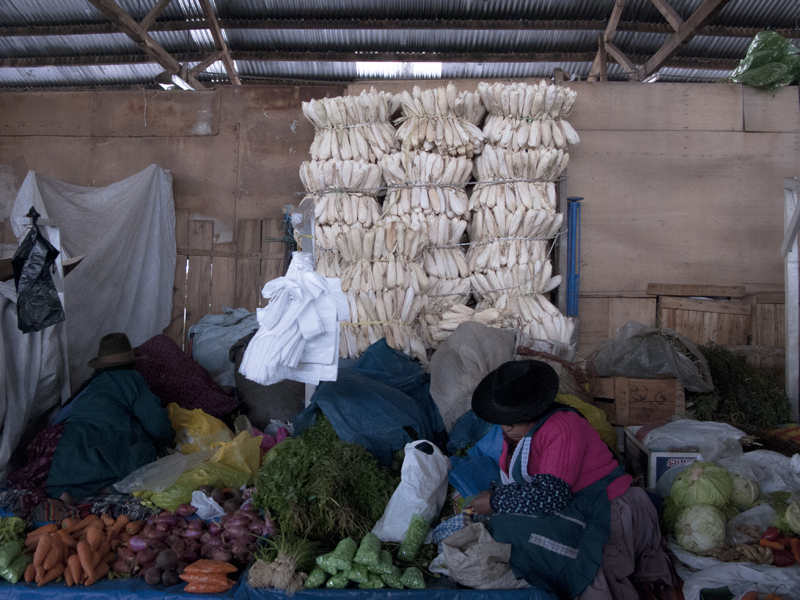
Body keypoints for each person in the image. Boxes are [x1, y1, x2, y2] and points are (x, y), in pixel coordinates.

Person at [467, 360, 674, 600]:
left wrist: (496, 502)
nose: (507, 426)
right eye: (503, 419)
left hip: (608, 509)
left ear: (535, 409)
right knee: (504, 527)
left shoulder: (563, 426)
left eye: (514, 418)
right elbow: (517, 480)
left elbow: (552, 494)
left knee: (522, 535)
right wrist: (493, 496)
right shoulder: (517, 435)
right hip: (576, 504)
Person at [46, 333, 175, 503]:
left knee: (68, 472)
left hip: (71, 452)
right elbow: (157, 425)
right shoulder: (132, 380)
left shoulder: (91, 384)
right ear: (131, 362)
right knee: (152, 459)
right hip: (111, 446)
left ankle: (63, 492)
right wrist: (170, 441)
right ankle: (110, 489)